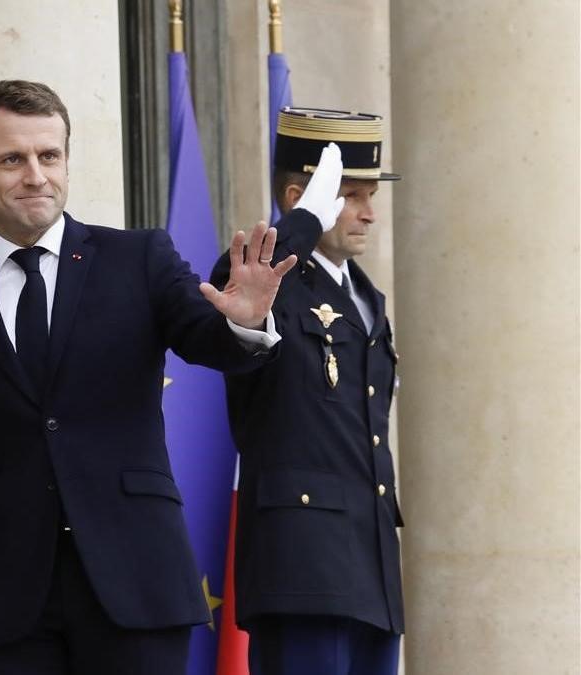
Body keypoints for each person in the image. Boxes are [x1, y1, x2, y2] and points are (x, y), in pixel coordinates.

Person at [0, 80, 341, 674]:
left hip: (138, 588)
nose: (35, 176)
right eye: (11, 160)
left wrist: (248, 324)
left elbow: (211, 340)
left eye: (50, 156)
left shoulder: (139, 259)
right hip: (7, 607)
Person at [211, 107, 403, 675]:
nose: (370, 214)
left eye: (372, 196)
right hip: (301, 569)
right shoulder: (267, 283)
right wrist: (300, 223)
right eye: (351, 196)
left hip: (370, 570)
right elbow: (236, 285)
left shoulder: (366, 298)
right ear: (304, 197)